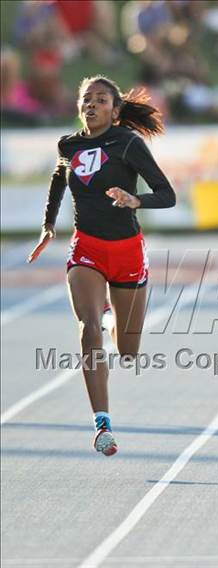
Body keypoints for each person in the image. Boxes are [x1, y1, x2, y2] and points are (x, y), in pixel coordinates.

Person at [27, 75, 176, 456]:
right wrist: (47, 226)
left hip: (127, 251)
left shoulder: (127, 143)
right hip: (86, 248)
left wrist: (134, 200)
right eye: (86, 99)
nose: (92, 105)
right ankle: (102, 423)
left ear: (114, 110)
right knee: (87, 327)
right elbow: (59, 179)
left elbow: (167, 194)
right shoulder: (68, 144)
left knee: (127, 351)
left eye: (101, 100)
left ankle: (110, 313)